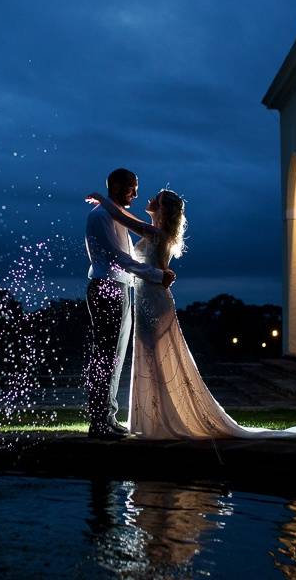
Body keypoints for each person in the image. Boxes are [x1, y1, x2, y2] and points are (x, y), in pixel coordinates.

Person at [86, 188, 296, 439]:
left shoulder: (155, 233)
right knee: (149, 357)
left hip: (153, 301)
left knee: (155, 357)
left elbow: (122, 219)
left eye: (158, 199)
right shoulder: (153, 230)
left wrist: (103, 199)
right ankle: (150, 418)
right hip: (146, 298)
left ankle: (158, 419)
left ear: (164, 210)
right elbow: (128, 225)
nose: (150, 199)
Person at [84, 168, 175, 440]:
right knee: (105, 354)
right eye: (132, 187)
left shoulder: (113, 214)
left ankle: (108, 417)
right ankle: (98, 421)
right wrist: (157, 276)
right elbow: (118, 259)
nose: (136, 194)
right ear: (117, 186)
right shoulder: (100, 216)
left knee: (116, 355)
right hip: (106, 286)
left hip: (120, 286)